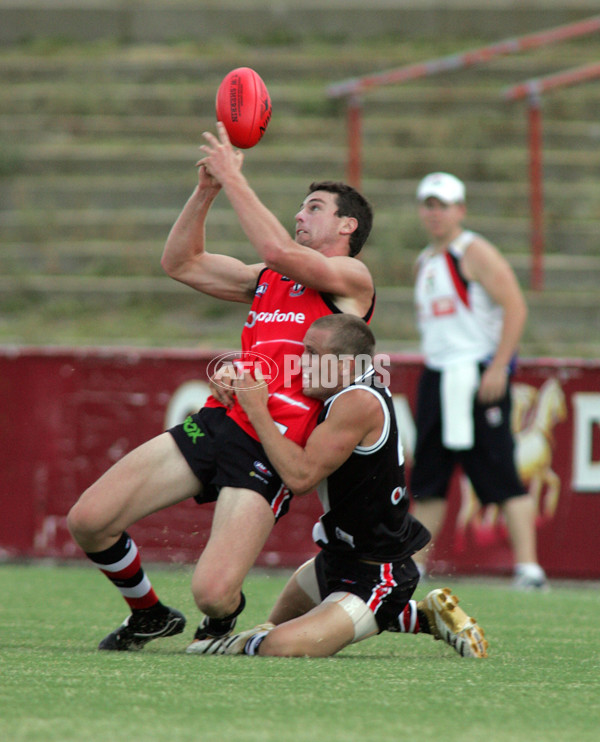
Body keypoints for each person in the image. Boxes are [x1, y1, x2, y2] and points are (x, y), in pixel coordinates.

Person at [66, 122, 376, 651]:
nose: (301, 214)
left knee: (212, 593)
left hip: (269, 441)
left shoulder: (351, 278)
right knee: (89, 521)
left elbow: (279, 251)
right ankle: (149, 614)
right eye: (302, 207)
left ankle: (221, 621)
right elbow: (179, 263)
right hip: (219, 418)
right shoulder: (267, 277)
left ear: (348, 225)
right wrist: (206, 190)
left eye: (315, 207)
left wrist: (234, 177)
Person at [187, 314, 488, 659]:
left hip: (376, 572)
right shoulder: (341, 386)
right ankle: (422, 616)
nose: (301, 363)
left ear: (345, 366)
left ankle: (403, 611)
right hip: (333, 560)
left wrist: (256, 409)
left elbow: (300, 478)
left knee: (279, 647)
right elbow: (265, 376)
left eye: (312, 354)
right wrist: (231, 374)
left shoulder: (357, 402)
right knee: (271, 628)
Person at [409, 171, 547, 591]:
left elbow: (515, 306)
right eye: (429, 205)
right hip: (437, 373)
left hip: (476, 372)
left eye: (443, 205)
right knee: (428, 477)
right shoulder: (425, 261)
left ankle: (528, 567)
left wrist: (498, 366)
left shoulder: (474, 251)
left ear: (460, 210)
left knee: (500, 469)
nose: (435, 213)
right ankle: (413, 566)